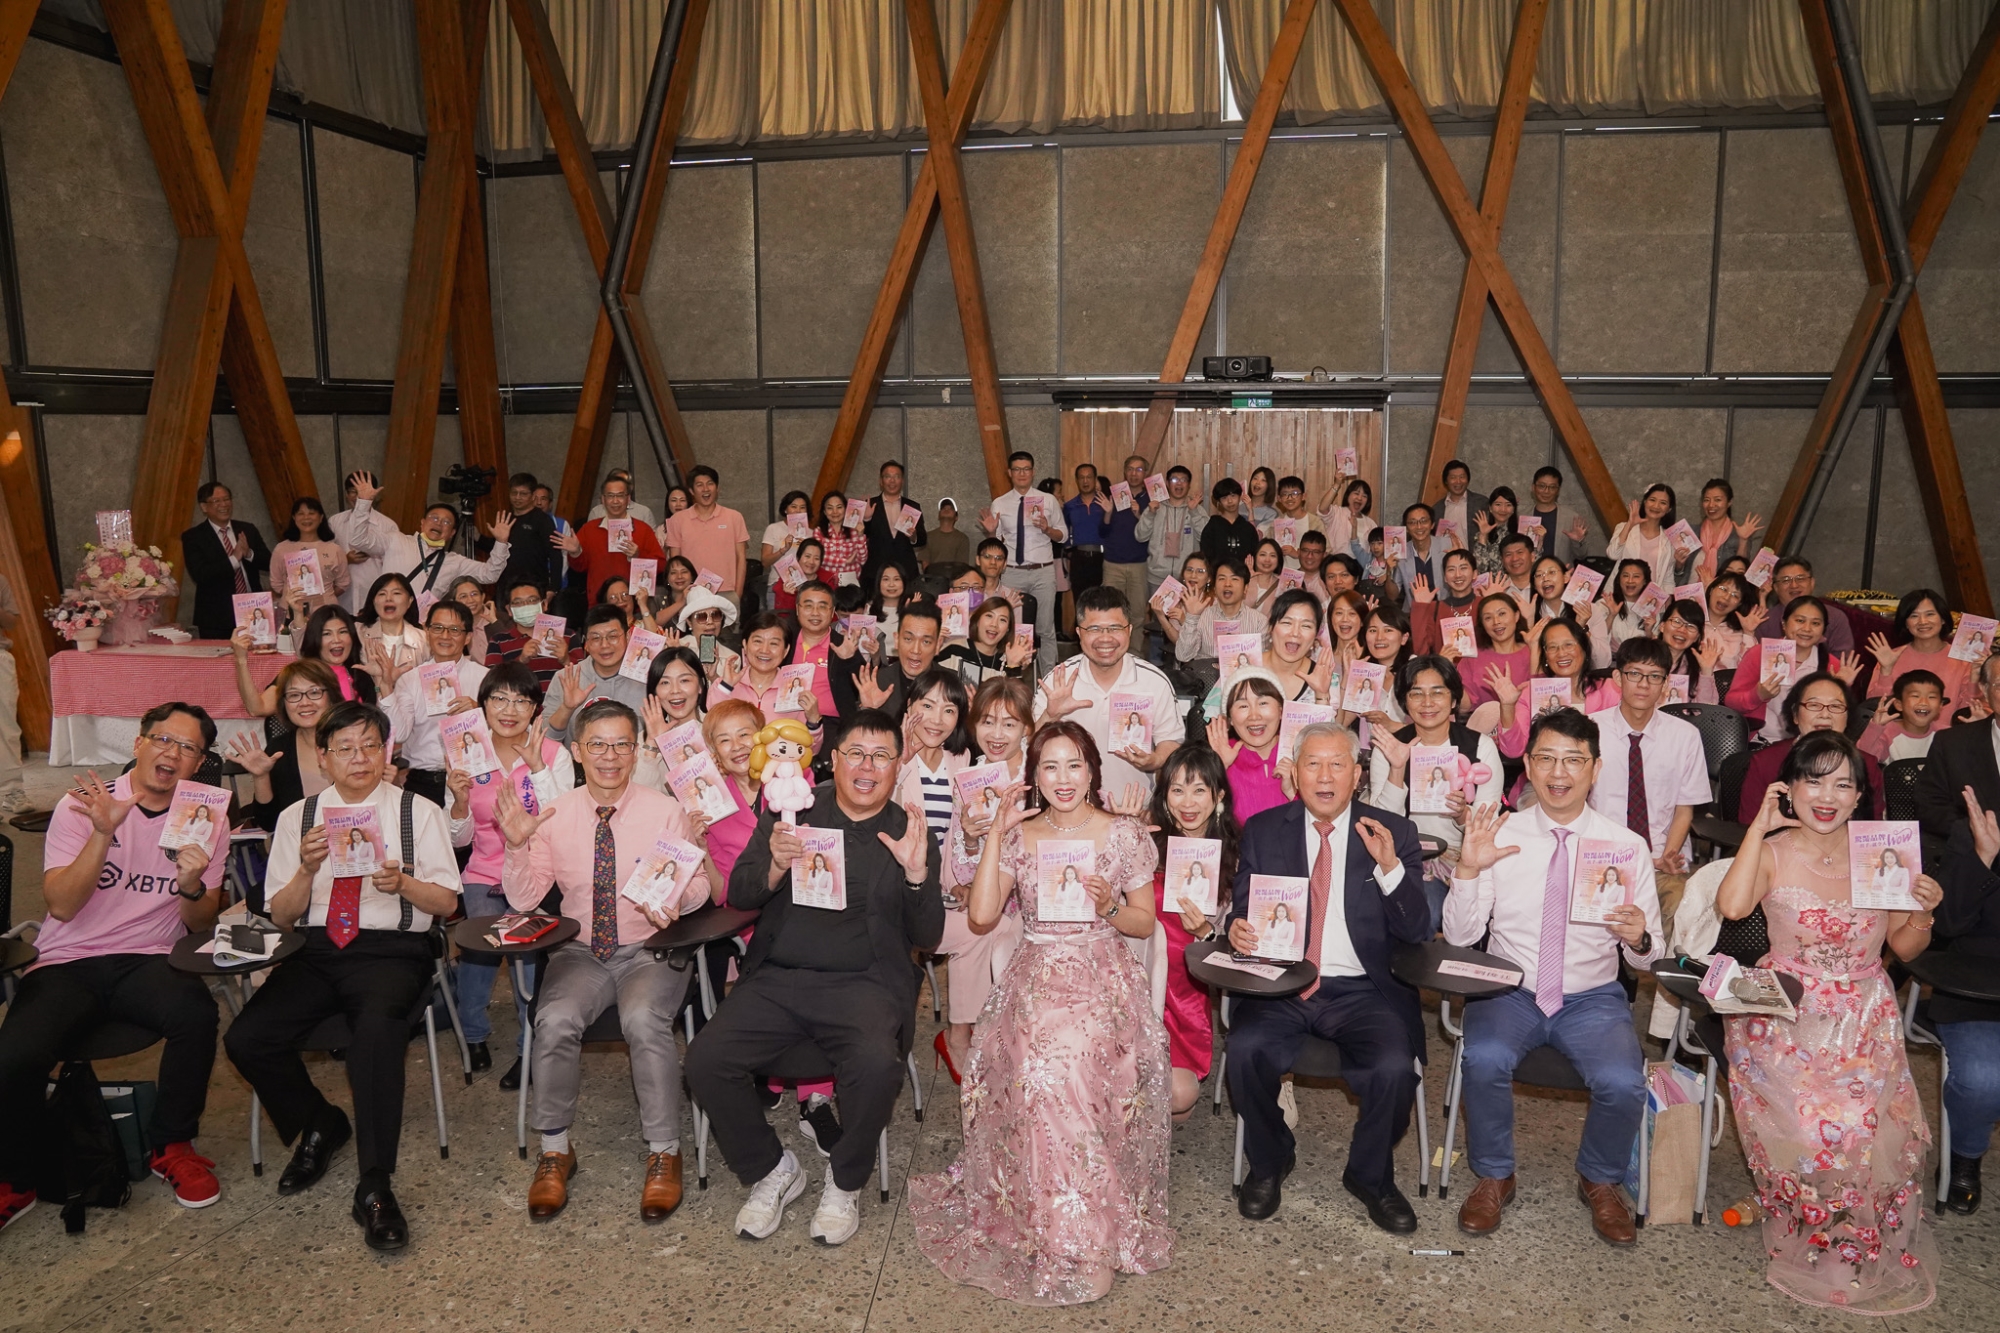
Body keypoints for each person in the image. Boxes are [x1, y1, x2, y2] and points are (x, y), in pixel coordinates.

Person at [909, 719, 1171, 1303]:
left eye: (1074, 764)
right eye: (1050, 766)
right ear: (1034, 777)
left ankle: (1085, 1236)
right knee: (1035, 1068)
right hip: (1035, 973)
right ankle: (1056, 1225)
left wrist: (1109, 906)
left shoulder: (1123, 833)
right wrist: (997, 835)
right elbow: (982, 916)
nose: (1063, 778)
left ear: (1092, 771)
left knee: (1070, 1064)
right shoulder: (1022, 835)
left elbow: (1143, 923)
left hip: (1102, 972)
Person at [684, 709, 942, 1247]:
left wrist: (916, 874)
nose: (867, 767)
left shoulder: (908, 829)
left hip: (866, 984)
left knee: (876, 1063)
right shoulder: (793, 808)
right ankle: (772, 1169)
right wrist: (775, 864)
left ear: (897, 766)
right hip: (780, 977)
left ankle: (844, 1181)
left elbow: (929, 935)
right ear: (834, 760)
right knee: (705, 1059)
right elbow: (742, 892)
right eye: (856, 754)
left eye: (881, 756)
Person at [224, 699, 462, 1251]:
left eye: (370, 746)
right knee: (247, 1038)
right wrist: (307, 870)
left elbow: (447, 903)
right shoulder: (297, 818)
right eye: (346, 748)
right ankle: (320, 1122)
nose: (360, 758)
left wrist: (403, 884)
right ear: (323, 757)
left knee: (374, 1035)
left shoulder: (417, 812)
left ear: (386, 753)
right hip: (315, 949)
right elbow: (281, 917)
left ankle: (374, 1183)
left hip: (392, 949)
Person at [1715, 731, 1939, 1313]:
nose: (1827, 796)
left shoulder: (1879, 851)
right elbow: (1733, 907)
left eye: (1843, 785)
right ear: (1789, 788)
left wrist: (1924, 910)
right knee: (1819, 1129)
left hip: (1863, 1015)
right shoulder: (1773, 849)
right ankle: (1809, 1216)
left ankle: (1847, 1233)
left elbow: (1905, 948)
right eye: (1813, 781)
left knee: (1868, 1133)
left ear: (1860, 796)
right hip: (1785, 1018)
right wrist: (1758, 827)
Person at [0, 704, 230, 1226]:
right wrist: (103, 833)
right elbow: (61, 906)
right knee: (14, 1053)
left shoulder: (206, 821)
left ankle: (173, 1146)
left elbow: (200, 924)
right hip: (68, 958)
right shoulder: (83, 805)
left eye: (188, 747)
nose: (172, 753)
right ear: (138, 743)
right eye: (163, 739)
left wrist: (191, 884)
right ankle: (14, 1177)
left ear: (199, 764)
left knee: (196, 1015)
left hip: (149, 956)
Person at [1444, 707, 1664, 1246]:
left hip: (1592, 996)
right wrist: (1468, 868)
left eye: (1573, 760)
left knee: (1623, 1081)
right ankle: (1495, 1174)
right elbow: (1459, 936)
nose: (1558, 772)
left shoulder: (1626, 846)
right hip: (1509, 989)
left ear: (1595, 768)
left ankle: (1600, 1178)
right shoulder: (1501, 832)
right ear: (1528, 765)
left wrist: (1638, 937)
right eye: (1545, 758)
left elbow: (1646, 959)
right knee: (1483, 1058)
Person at [493, 699, 708, 1222]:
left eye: (621, 744)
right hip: (580, 951)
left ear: (637, 751)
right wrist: (517, 846)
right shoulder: (555, 814)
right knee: (553, 1019)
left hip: (650, 949)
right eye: (597, 744)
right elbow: (525, 899)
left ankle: (665, 1151)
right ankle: (555, 1150)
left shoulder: (665, 811)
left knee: (643, 1019)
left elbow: (699, 883)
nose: (610, 756)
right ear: (576, 751)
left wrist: (678, 900)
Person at [1223, 723, 1429, 1230]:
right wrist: (1237, 928)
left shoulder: (1392, 833)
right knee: (1244, 1051)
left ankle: (1370, 1176)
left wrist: (1389, 869)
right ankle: (1270, 1159)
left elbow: (1417, 930)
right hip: (1283, 982)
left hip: (1363, 989)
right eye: (1313, 764)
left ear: (1357, 775)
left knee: (1393, 1069)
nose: (1325, 776)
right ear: (1295, 774)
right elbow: (1243, 907)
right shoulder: (1264, 829)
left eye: (1338, 764)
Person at [443, 664, 573, 1080]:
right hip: (483, 872)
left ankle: (528, 1046)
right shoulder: (465, 754)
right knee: (478, 954)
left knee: (528, 959)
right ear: (483, 705)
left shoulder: (554, 754)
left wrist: (537, 769)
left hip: (538, 877)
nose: (509, 709)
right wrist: (459, 802)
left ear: (535, 709)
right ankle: (473, 1034)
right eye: (499, 699)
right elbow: (460, 839)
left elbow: (564, 823)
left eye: (521, 700)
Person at [935, 677, 1033, 1081]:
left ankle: (986, 1035)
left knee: (996, 929)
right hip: (986, 899)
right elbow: (961, 870)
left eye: (1009, 724)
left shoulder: (1040, 774)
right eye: (988, 722)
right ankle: (967, 1034)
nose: (996, 734)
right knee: (983, 926)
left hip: (1033, 896)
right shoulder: (970, 779)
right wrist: (973, 840)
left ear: (1027, 728)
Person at [1368, 656, 1504, 931]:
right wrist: (1397, 769)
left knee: (1434, 911)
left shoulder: (1479, 747)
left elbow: (1488, 821)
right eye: (1416, 693)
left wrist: (1462, 814)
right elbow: (1379, 822)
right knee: (1411, 909)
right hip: (1403, 857)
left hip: (1461, 858)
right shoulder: (1390, 747)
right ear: (1405, 702)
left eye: (1437, 692)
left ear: (1453, 700)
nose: (1427, 702)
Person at [1584, 638, 1710, 925]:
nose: (1644, 684)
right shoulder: (1589, 729)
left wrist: (1666, 857)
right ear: (1618, 678)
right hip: (1600, 856)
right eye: (1635, 674)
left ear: (1666, 684)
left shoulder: (1685, 736)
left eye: (1654, 676)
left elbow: (1684, 809)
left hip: (1662, 858)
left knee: (1679, 910)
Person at [1145, 744, 1238, 1117]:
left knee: (1179, 1097)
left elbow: (1236, 949)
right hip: (1136, 984)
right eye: (1177, 789)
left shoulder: (1236, 855)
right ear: (1164, 796)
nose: (1187, 802)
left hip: (1187, 990)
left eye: (1199, 790)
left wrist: (1204, 931)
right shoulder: (1147, 844)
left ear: (1218, 796)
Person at [1036, 586, 1183, 796]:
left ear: (1129, 631)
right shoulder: (1057, 680)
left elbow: (1172, 741)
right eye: (1094, 629)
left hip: (1134, 806)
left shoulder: (1154, 681)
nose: (1105, 638)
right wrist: (1050, 715)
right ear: (1079, 633)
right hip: (1069, 806)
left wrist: (1155, 760)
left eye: (1115, 628)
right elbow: (1026, 745)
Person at [1934, 792, 2000, 1215]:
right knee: (1983, 1079)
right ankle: (1966, 1153)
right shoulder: (1975, 831)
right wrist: (1984, 857)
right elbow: (1946, 923)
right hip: (1977, 989)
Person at [381, 598, 488, 811]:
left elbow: (503, 730)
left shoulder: (485, 678)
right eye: (437, 628)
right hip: (423, 782)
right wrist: (386, 687)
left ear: (468, 637)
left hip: (473, 778)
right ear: (427, 631)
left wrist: (480, 711)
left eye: (454, 630)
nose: (445, 636)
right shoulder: (410, 679)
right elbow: (399, 734)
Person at [1737, 673, 1885, 824]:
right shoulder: (1765, 762)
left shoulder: (1867, 765)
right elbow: (1750, 826)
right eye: (1814, 705)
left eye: (1835, 706)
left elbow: (1873, 829)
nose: (1825, 714)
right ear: (1795, 714)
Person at [338, 474, 512, 599]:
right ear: (422, 523)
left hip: (424, 630)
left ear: (452, 533)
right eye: (434, 518)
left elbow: (490, 574)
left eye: (446, 522)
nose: (439, 523)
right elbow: (358, 540)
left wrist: (501, 542)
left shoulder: (454, 561)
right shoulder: (396, 540)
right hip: (388, 618)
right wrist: (363, 503)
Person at [980, 451, 1068, 675]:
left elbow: (1063, 536)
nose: (1022, 474)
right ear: (1009, 473)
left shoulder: (1048, 500)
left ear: (1033, 471)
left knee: (1046, 628)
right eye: (1017, 470)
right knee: (1011, 626)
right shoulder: (1000, 503)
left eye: (1026, 469)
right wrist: (990, 532)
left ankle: (1049, 677)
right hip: (1012, 573)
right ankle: (1010, 674)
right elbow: (995, 546)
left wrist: (1047, 529)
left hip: (1042, 572)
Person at [1728, 596, 1858, 745]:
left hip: (1811, 745)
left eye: (1815, 623)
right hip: (1763, 742)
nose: (1807, 629)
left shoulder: (1832, 665)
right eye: (1800, 621)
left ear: (1823, 629)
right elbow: (1732, 703)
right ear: (1784, 623)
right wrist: (1758, 695)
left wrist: (1841, 689)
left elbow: (1843, 719)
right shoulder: (1759, 654)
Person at [1913, 654, 2000, 839]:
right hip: (1973, 850)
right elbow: (1930, 806)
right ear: (1984, 690)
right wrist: (1976, 831)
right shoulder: (1951, 743)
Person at [543, 605, 648, 742]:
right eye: (596, 638)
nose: (604, 645)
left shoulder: (647, 679)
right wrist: (566, 708)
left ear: (628, 636)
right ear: (586, 643)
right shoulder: (565, 678)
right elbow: (546, 740)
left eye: (613, 636)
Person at [558, 474, 667, 606]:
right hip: (599, 604)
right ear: (603, 500)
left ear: (628, 499)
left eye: (620, 495)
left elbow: (661, 566)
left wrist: (638, 556)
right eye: (610, 496)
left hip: (635, 605)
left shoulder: (643, 529)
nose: (615, 501)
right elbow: (580, 568)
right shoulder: (589, 529)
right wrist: (576, 552)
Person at [181, 481, 271, 639]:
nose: (224, 504)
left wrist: (248, 553)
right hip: (217, 618)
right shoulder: (193, 537)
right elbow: (200, 574)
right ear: (203, 507)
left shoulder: (247, 529)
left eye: (226, 499)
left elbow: (269, 563)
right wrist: (234, 559)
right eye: (217, 501)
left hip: (254, 611)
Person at [1205, 670, 1291, 826]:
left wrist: (1294, 792)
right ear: (1230, 718)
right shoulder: (1221, 754)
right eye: (1243, 706)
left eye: (1263, 703)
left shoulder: (1300, 754)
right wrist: (1218, 768)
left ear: (1281, 711)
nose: (1254, 716)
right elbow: (1196, 812)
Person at [659, 466, 749, 607]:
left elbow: (741, 558)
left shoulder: (734, 517)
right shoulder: (678, 520)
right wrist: (679, 594)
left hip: (727, 593)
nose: (705, 489)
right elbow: (675, 560)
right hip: (690, 592)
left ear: (717, 488)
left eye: (710, 483)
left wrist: (737, 593)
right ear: (691, 490)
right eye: (699, 485)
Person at [330, 470, 401, 616]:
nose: (358, 497)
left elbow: (395, 562)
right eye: (353, 492)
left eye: (363, 492)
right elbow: (325, 558)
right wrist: (345, 559)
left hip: (374, 593)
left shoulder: (388, 525)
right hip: (343, 594)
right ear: (346, 494)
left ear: (374, 494)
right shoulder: (335, 522)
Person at [269, 497, 350, 623]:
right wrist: (292, 595)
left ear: (321, 517)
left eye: (311, 513)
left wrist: (323, 595)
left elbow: (343, 583)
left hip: (325, 613)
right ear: (294, 518)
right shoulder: (281, 549)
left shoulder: (334, 549)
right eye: (301, 514)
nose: (306, 518)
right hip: (290, 613)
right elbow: (276, 582)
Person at [1756, 557, 1856, 656]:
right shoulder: (1764, 621)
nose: (1794, 585)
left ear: (1812, 583)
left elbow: (1842, 660)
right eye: (1786, 580)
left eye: (1800, 579)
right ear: (1776, 588)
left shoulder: (1835, 617)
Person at [1134, 464, 1207, 597]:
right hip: (1157, 577)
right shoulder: (1155, 507)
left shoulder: (1196, 508)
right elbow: (1140, 536)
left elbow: (1206, 537)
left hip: (1188, 577)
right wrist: (1150, 514)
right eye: (1174, 479)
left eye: (1183, 480)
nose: (1179, 483)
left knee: (1187, 611)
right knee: (1157, 611)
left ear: (1189, 485)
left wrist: (1194, 512)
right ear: (1167, 484)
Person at [859, 460, 926, 592]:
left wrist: (913, 536)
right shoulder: (869, 505)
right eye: (888, 476)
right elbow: (858, 537)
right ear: (881, 481)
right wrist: (866, 519)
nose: (892, 481)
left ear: (902, 481)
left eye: (897, 476)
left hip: (906, 570)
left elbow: (923, 539)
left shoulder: (912, 506)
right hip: (875, 571)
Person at [496, 471, 563, 598]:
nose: (517, 497)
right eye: (514, 493)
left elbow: (555, 555)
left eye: (523, 494)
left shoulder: (542, 520)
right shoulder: (505, 518)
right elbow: (498, 548)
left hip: (534, 585)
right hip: (506, 585)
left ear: (533, 496)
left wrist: (553, 588)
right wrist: (478, 537)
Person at [1062, 463, 1111, 631]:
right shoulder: (1070, 506)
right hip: (1079, 559)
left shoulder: (1105, 503)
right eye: (1081, 478)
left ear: (1095, 479)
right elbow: (1064, 532)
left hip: (1102, 559)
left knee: (1102, 603)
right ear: (1076, 480)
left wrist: (1109, 512)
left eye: (1089, 477)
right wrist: (1069, 553)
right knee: (1080, 602)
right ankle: (1081, 641)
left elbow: (1109, 531)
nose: (1085, 481)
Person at [1101, 454, 1152, 612]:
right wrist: (1108, 512)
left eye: (1139, 470)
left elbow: (1156, 533)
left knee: (1137, 613)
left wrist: (1139, 515)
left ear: (1146, 473)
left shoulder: (1152, 500)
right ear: (1124, 472)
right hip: (1113, 564)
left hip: (1140, 565)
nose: (1134, 474)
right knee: (1111, 611)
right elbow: (1102, 532)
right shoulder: (1114, 496)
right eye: (1130, 469)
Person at [1862, 670, 1946, 763]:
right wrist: (1874, 728)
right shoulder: (1887, 733)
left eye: (1931, 697)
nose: (1923, 702)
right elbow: (1864, 760)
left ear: (1940, 705)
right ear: (1899, 704)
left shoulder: (1946, 735)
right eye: (1915, 696)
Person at [1691, 477, 1763, 585]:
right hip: (1689, 592)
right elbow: (1679, 572)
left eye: (1717, 500)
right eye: (1706, 500)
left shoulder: (1737, 533)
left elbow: (1740, 571)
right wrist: (1679, 563)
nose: (1711, 505)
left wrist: (1743, 540)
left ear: (1729, 502)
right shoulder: (1692, 532)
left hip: (1722, 592)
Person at [1523, 466, 1594, 563]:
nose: (1546, 491)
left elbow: (1581, 556)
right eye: (1542, 486)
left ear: (1558, 490)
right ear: (1533, 487)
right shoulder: (1522, 515)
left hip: (1559, 571)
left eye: (1552, 487)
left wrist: (1578, 541)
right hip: (1530, 571)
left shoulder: (1571, 518)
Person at [1198, 476, 1260, 571]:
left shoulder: (1248, 529)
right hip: (1218, 577)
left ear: (1240, 497)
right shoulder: (1212, 528)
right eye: (1224, 498)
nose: (1230, 501)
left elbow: (1255, 556)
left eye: (1233, 496)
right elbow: (1206, 558)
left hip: (1243, 576)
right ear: (1219, 502)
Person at [1433, 459, 1488, 552]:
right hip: (1447, 559)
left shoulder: (1481, 503)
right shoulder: (1437, 509)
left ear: (1468, 480)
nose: (1458, 481)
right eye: (1453, 477)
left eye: (1462, 477)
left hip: (1476, 559)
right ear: (1446, 481)